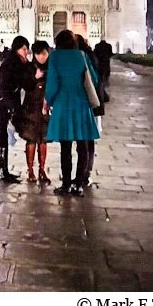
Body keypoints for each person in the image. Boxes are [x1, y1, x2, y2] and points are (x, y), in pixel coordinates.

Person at [44, 29, 100, 197]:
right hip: (81, 104)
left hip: (63, 105)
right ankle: (79, 184)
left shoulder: (55, 56)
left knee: (65, 147)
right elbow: (94, 79)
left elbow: (52, 82)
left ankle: (66, 184)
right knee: (82, 146)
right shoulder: (81, 55)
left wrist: (49, 100)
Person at [0, 35, 30, 183]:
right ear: (17, 48)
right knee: (3, 137)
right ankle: (2, 170)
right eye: (24, 49)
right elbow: (5, 86)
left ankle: (3, 169)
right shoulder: (11, 63)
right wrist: (12, 108)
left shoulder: (16, 62)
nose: (27, 52)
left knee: (4, 137)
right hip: (5, 106)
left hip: (6, 104)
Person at [15, 39, 51, 184]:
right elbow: (25, 85)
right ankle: (30, 170)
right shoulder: (28, 67)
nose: (41, 57)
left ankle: (42, 169)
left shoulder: (51, 68)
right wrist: (34, 78)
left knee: (43, 140)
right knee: (31, 139)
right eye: (38, 54)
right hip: (31, 107)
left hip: (45, 108)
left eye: (43, 54)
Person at [75, 34, 105, 187]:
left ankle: (85, 174)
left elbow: (92, 80)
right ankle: (85, 173)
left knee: (86, 140)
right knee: (87, 139)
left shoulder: (84, 58)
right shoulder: (90, 55)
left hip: (88, 104)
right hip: (92, 104)